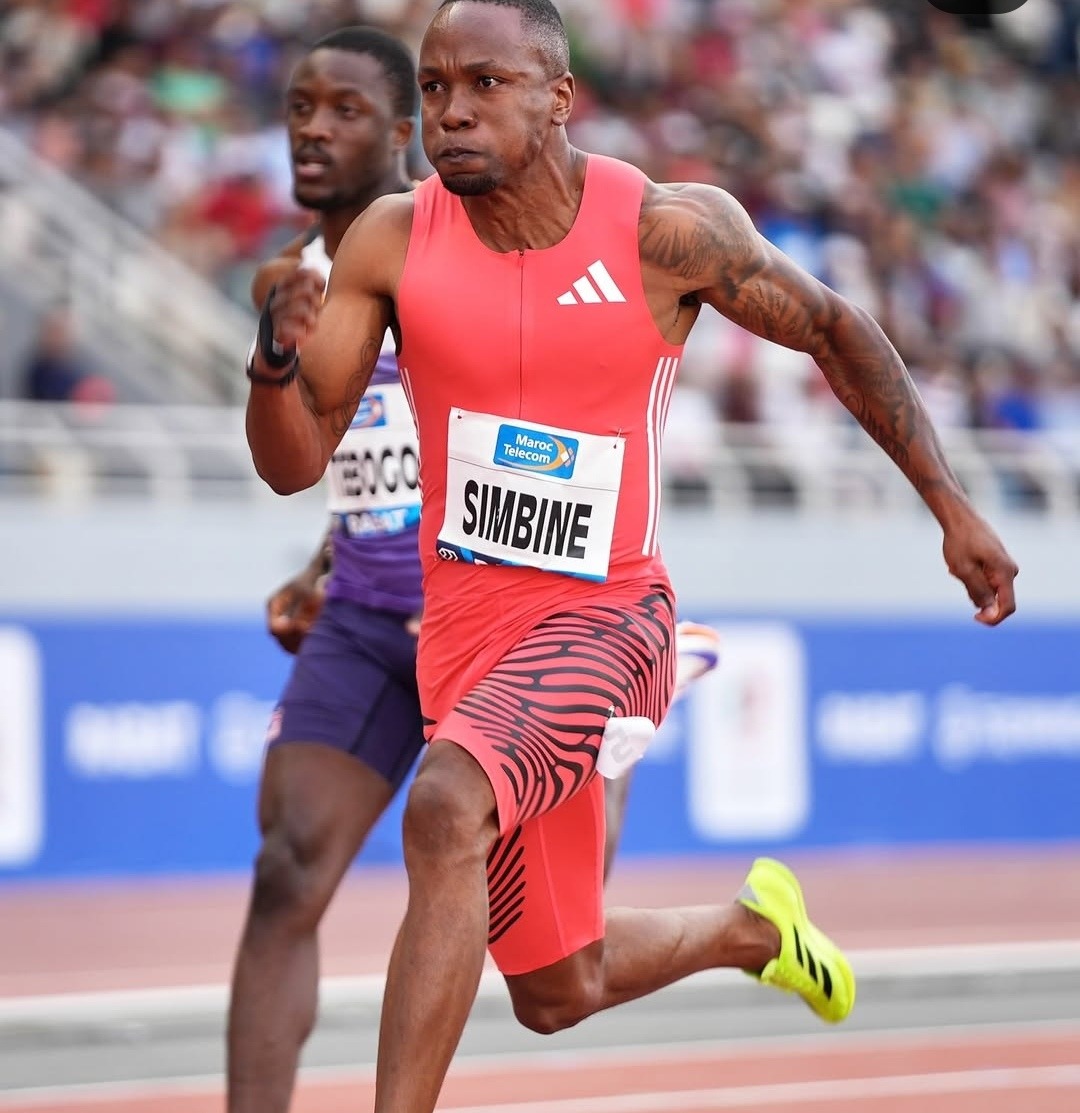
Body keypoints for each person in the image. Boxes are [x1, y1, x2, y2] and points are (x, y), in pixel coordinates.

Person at [244, 2, 1019, 1109]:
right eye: (436, 87)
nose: (452, 111)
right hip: (465, 645)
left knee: (445, 805)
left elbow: (837, 330)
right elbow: (293, 463)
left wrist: (951, 505)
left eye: (486, 85)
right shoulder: (392, 239)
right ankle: (752, 931)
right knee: (558, 987)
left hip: (606, 620)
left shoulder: (665, 231)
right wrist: (273, 362)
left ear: (559, 97)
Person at [229, 23, 719, 1113]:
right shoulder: (302, 275)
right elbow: (355, 447)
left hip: (530, 615)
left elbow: (518, 427)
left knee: (532, 917)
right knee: (292, 874)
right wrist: (320, 557)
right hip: (373, 610)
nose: (313, 130)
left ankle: (632, 691)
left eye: (345, 110)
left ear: (403, 129)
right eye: (298, 108)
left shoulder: (471, 232)